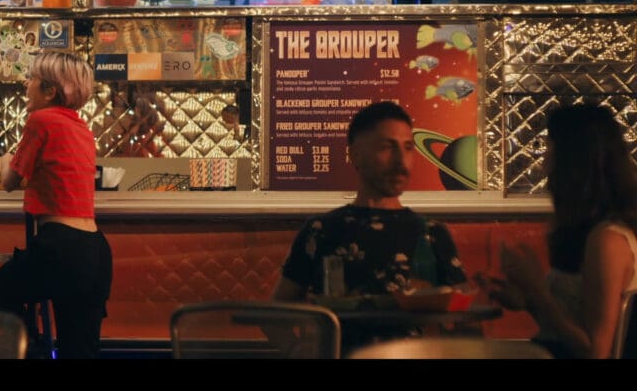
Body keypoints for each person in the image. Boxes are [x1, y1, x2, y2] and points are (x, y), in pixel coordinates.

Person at [273, 102, 468, 348]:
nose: (401, 160)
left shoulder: (431, 233)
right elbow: (275, 315)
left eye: (408, 148)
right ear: (356, 155)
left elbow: (465, 315)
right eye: (387, 147)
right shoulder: (322, 231)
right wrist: (302, 354)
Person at [482, 103, 637, 358]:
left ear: (574, 162)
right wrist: (527, 301)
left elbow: (595, 352)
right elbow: (566, 321)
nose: (544, 162)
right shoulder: (589, 232)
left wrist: (538, 292)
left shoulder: (609, 240)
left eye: (550, 149)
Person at [0, 51, 113, 359]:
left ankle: (30, 345)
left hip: (61, 247)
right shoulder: (82, 129)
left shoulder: (41, 120)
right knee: (79, 350)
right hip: (95, 251)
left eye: (31, 79)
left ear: (49, 90)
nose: (26, 85)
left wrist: (6, 160)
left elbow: (10, 181)